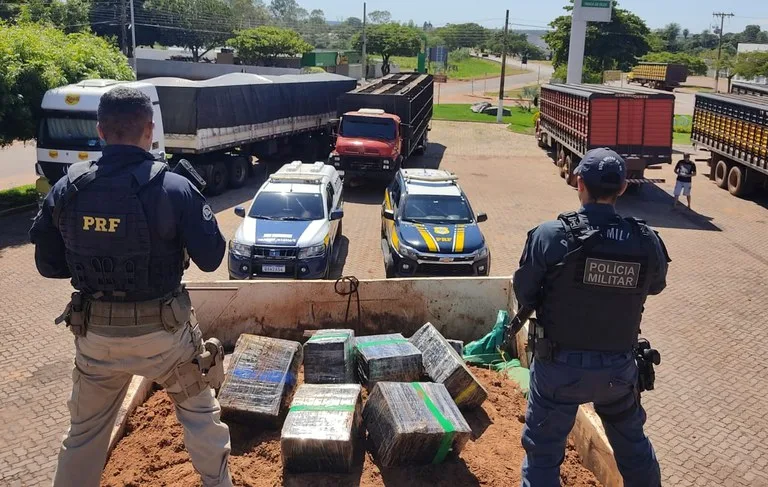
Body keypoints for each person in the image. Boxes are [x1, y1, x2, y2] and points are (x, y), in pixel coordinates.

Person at [29, 87, 233, 487]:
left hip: (96, 339)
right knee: (201, 419)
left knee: (83, 436)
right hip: (166, 341)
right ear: (150, 129)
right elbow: (211, 259)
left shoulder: (69, 187)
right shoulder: (173, 187)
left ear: (101, 132)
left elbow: (46, 265)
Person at [513, 148, 671, 487]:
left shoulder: (550, 235)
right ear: (623, 188)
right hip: (618, 373)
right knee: (634, 451)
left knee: (542, 456)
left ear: (579, 182)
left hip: (558, 371)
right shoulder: (646, 240)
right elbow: (655, 286)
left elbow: (525, 293)